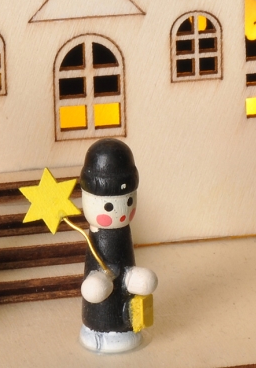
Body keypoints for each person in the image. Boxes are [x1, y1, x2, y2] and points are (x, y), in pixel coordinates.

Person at [79, 138, 157, 353]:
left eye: (129, 201)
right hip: (97, 322)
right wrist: (99, 281)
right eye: (108, 206)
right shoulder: (97, 236)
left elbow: (124, 267)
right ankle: (98, 332)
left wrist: (131, 277)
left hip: (125, 316)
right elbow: (94, 287)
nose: (121, 213)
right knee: (99, 295)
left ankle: (127, 328)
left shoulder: (124, 233)